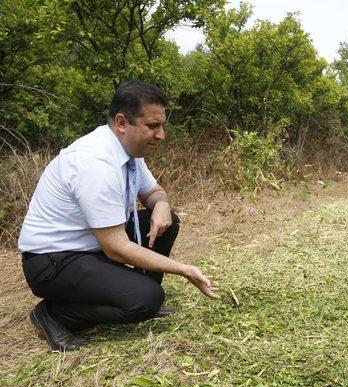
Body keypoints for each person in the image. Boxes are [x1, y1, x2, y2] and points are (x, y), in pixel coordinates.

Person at [18, 80, 220, 352]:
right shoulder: (96, 163)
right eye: (153, 126)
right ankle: (53, 315)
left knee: (166, 221)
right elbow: (116, 248)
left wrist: (161, 204)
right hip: (54, 262)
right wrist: (184, 269)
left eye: (161, 125)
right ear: (123, 122)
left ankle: (135, 297)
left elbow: (153, 192)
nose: (161, 135)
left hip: (90, 246)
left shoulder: (128, 150)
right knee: (147, 298)